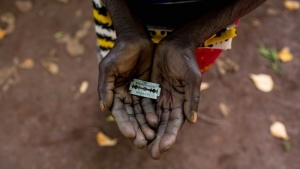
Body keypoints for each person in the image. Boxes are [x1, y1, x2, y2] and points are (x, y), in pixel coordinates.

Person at [93, 0, 266, 159]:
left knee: (187, 72)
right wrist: (127, 28)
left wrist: (191, 38)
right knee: (120, 64)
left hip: (208, 25)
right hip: (119, 16)